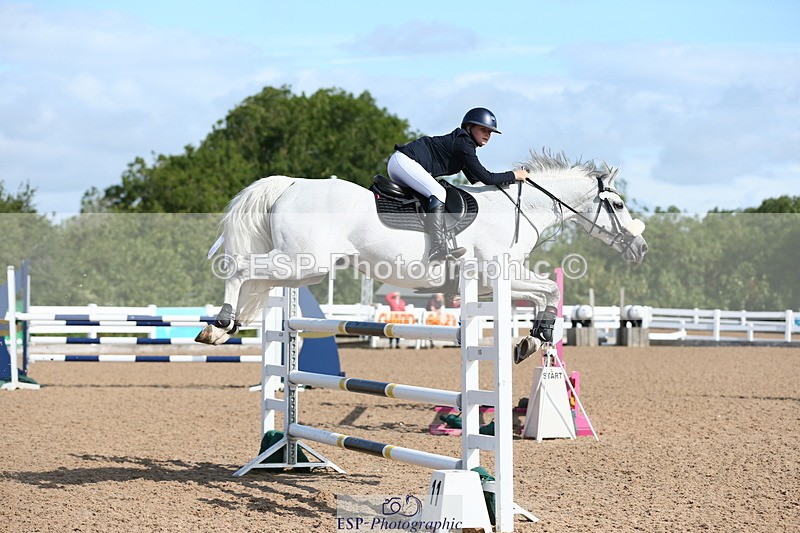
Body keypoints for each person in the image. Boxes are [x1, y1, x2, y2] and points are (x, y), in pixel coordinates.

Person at [388, 107, 529, 262]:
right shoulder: (463, 144)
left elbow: (478, 182)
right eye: (483, 130)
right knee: (439, 192)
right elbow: (487, 177)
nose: (487, 135)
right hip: (404, 161)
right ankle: (437, 248)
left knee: (434, 193)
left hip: (404, 164)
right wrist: (514, 175)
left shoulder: (464, 145)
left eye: (489, 132)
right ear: (469, 127)